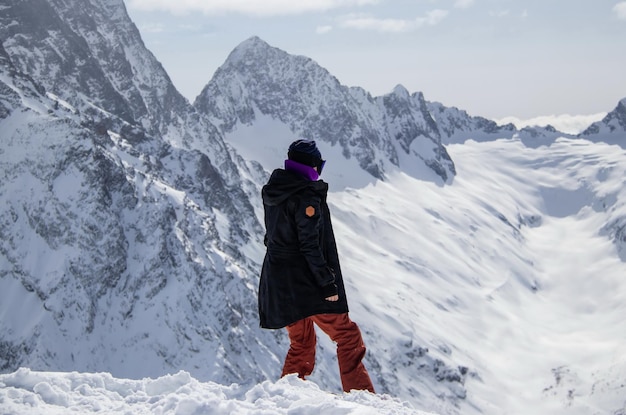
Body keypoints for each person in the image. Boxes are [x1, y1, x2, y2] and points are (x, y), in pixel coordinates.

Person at [258, 139, 375, 394]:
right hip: (306, 281)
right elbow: (309, 245)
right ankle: (363, 398)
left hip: (279, 280)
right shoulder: (305, 196)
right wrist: (326, 282)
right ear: (312, 165)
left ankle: (288, 396)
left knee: (301, 343)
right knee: (347, 335)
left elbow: (273, 236)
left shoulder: (274, 191)